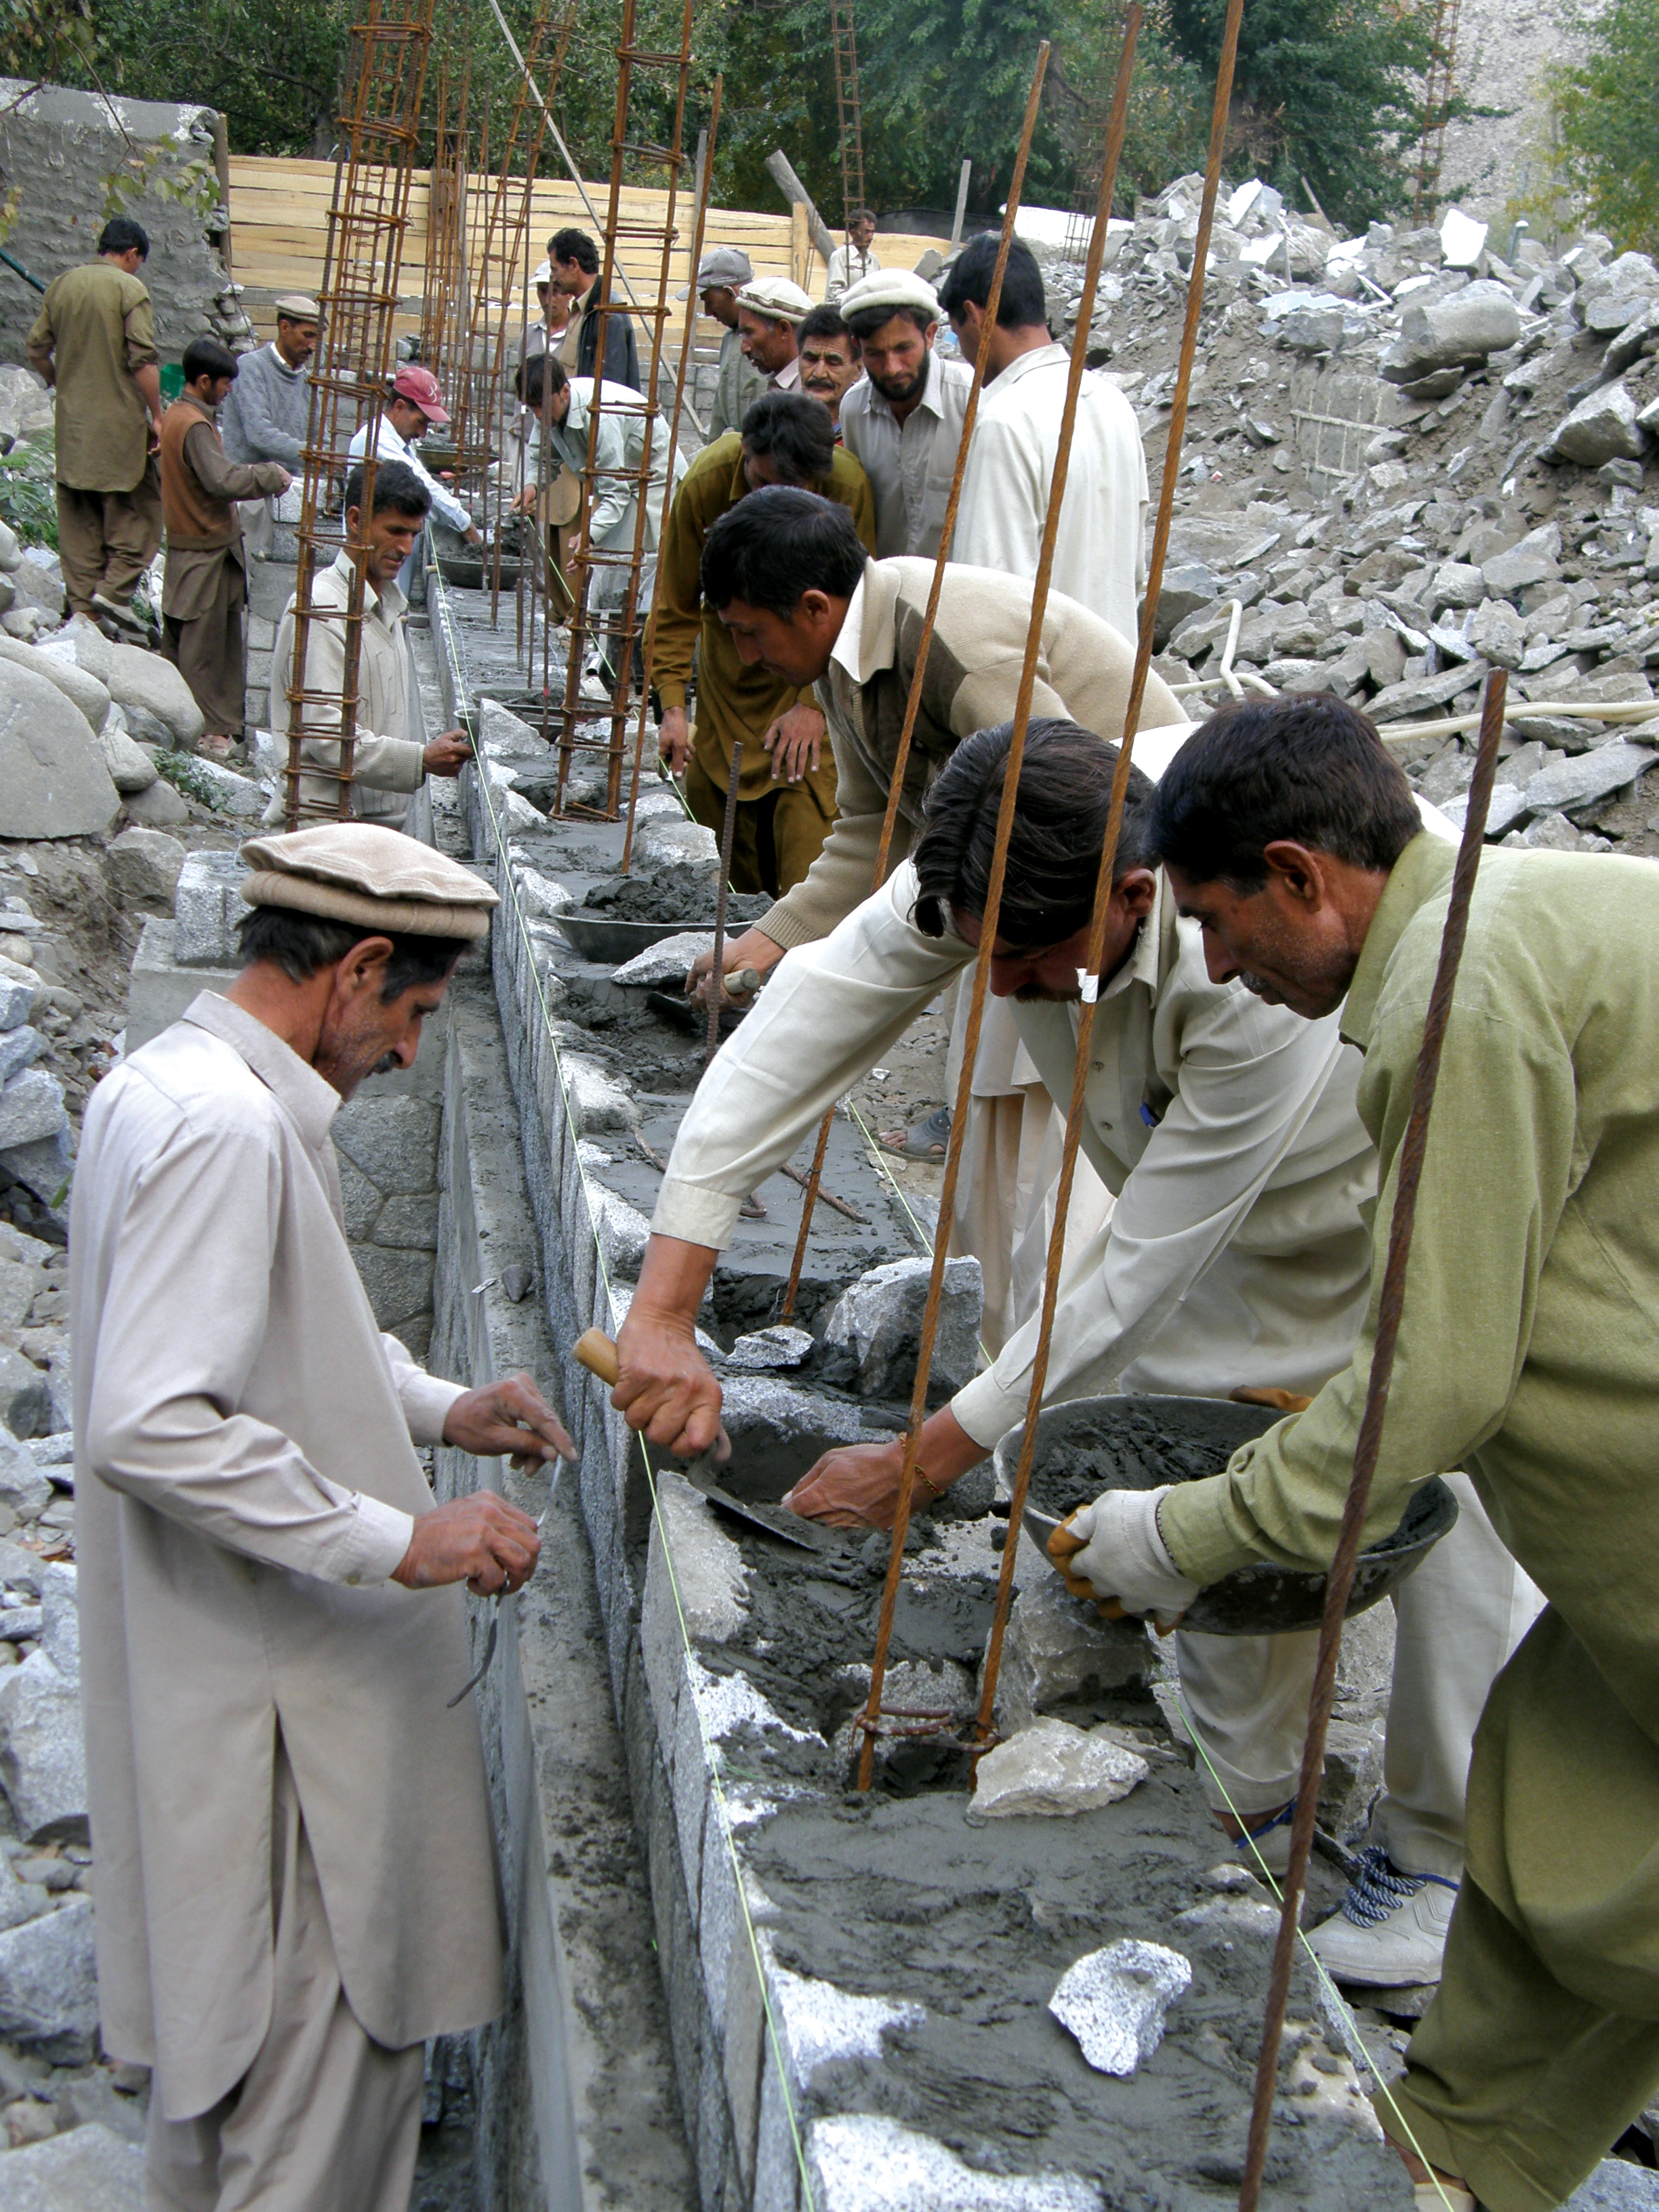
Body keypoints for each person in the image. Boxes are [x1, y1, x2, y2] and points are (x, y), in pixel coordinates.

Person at [624, 704, 1542, 1959]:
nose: (995, 992)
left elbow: (1133, 1266)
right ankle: (1253, 1808)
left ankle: (1437, 1856)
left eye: (1034, 966)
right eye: (979, 955)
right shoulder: (1001, 838)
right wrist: (665, 1302)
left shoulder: (1256, 955)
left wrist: (923, 1461)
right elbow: (809, 1018)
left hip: (1392, 1166)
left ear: (1131, 897)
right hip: (1210, 1194)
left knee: (1439, 1459)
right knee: (1200, 1460)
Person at [1063, 692, 1659, 2211]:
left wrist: (1178, 1534)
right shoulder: (1494, 936)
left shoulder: (1469, 992)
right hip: (1621, 1534)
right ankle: (1462, 2159)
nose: (1212, 968)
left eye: (1215, 920)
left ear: (1302, 877)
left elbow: (1426, 1389)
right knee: (1560, 1808)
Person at [75, 819, 573, 2212]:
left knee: (223, 2106)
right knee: (310, 2113)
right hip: (284, 1738)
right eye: (414, 1012)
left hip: (226, 1687)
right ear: (356, 970)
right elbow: (152, 1420)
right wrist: (400, 1539)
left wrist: (440, 1409)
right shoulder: (228, 1132)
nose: (410, 1051)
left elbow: (277, 1343)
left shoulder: (179, 1087)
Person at [653, 396, 874, 897]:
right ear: (745, 457)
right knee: (727, 862)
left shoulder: (848, 486)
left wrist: (814, 707)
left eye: (790, 490)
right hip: (727, 689)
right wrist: (672, 706)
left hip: (809, 686)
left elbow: (861, 612)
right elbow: (675, 604)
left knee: (809, 854)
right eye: (760, 484)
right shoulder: (707, 480)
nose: (771, 499)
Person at [939, 234, 1147, 645]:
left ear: (975, 316)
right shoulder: (1114, 403)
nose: (962, 351)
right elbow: (1136, 572)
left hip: (1043, 695)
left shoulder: (1005, 421)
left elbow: (990, 604)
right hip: (1114, 680)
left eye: (957, 333)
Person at [270, 461, 473, 827]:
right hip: (326, 827)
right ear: (355, 520)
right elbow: (328, 738)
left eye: (413, 534)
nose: (406, 548)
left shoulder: (388, 609)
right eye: (395, 531)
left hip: (374, 827)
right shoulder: (323, 608)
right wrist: (421, 760)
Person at [510, 356, 687, 697]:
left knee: (624, 566)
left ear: (564, 392)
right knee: (607, 568)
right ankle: (604, 661)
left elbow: (615, 493)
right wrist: (532, 486)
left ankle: (626, 667)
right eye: (531, 409)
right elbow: (539, 458)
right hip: (624, 483)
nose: (537, 416)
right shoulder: (549, 410)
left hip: (652, 480)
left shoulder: (600, 417)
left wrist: (588, 536)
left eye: (541, 407)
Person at [24, 214, 164, 633]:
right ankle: (111, 594)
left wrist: (58, 381)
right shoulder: (130, 289)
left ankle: (82, 616)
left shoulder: (62, 286)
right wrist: (157, 416)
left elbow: (35, 350)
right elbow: (143, 360)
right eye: (139, 260)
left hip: (73, 430)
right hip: (120, 430)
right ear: (132, 253)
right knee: (139, 516)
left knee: (79, 524)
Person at [159, 337, 291, 759]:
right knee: (207, 649)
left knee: (190, 642)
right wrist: (269, 474)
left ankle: (185, 723)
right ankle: (209, 733)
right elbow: (221, 481)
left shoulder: (177, 415)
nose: (230, 390)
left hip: (190, 548)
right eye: (224, 384)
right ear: (203, 381)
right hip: (205, 551)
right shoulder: (195, 425)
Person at [838, 269, 973, 562]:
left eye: (904, 349)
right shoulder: (853, 410)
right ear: (857, 347)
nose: (892, 368)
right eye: (875, 353)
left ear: (930, 335)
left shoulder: (971, 401)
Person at [220, 292, 319, 560]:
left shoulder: (308, 382)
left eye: (315, 338)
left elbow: (313, 438)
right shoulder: (250, 367)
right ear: (284, 328)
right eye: (307, 335)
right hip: (248, 494)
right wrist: (314, 455)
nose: (312, 346)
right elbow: (258, 433)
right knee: (244, 581)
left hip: (289, 495)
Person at [346, 364, 480, 558]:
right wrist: (465, 525)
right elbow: (422, 486)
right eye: (421, 422)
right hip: (373, 557)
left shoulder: (400, 443)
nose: (423, 433)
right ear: (400, 407)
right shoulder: (375, 440)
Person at [679, 244, 766, 439]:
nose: (708, 312)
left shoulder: (770, 339)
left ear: (730, 293)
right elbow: (720, 410)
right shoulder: (729, 340)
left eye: (709, 301)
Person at [547, 227, 641, 390]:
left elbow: (610, 390)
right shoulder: (581, 310)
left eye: (555, 270)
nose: (553, 279)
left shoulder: (607, 312)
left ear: (573, 265)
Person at [735, 276, 813, 393]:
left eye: (749, 333)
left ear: (784, 330)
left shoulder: (809, 392)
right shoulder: (782, 386)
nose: (744, 348)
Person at [796, 305, 863, 432]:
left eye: (833, 363)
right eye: (811, 359)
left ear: (858, 369)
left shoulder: (865, 434)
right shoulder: (777, 424)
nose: (819, 374)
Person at [516, 259, 575, 367]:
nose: (548, 300)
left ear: (569, 293)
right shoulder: (529, 335)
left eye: (555, 292)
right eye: (543, 291)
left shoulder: (578, 334)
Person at [825, 208, 880, 302]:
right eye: (866, 232)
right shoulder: (841, 256)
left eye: (872, 232)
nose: (871, 237)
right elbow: (834, 292)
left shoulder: (874, 261)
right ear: (853, 233)